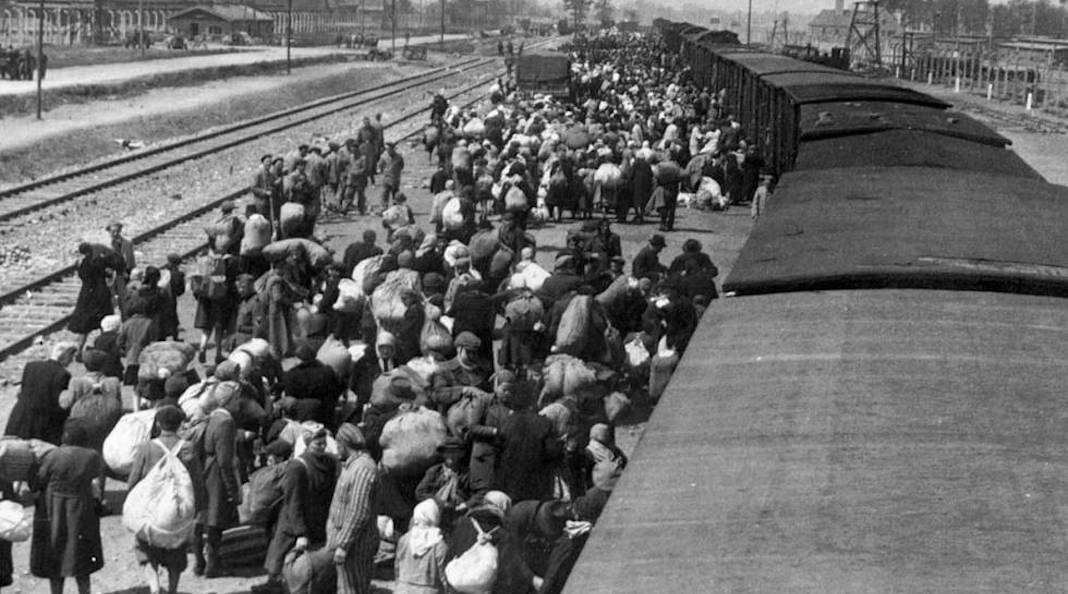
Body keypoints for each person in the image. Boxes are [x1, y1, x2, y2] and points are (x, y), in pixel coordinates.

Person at [127, 406, 204, 594]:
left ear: (159, 424)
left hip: (151, 509)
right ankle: (172, 590)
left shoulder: (147, 447)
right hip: (177, 509)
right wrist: (198, 508)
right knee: (175, 550)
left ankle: (154, 587)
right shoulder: (188, 447)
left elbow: (133, 479)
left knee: (146, 546)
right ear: (179, 424)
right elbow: (197, 481)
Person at [257, 428, 338, 594]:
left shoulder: (329, 463)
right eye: (318, 443)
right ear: (308, 444)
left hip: (317, 518)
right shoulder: (297, 467)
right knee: (281, 560)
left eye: (324, 443)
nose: (322, 447)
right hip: (294, 520)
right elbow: (293, 502)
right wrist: (300, 532)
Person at [30, 418, 106, 594]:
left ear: (64, 436)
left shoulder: (53, 456)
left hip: (54, 508)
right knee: (82, 554)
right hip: (82, 508)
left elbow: (37, 482)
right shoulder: (92, 456)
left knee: (55, 552)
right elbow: (95, 476)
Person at [327, 423, 379, 594]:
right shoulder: (350, 466)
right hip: (348, 543)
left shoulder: (363, 469)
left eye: (337, 444)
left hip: (356, 545)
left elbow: (359, 511)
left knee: (352, 590)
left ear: (344, 443)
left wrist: (343, 544)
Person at [5, 342, 77, 445]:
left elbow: (22, 391)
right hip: (42, 424)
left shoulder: (31, 366)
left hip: (20, 417)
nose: (72, 360)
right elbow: (58, 403)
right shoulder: (63, 374)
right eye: (71, 356)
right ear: (65, 355)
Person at [68, 243, 122, 356]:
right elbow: (115, 266)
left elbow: (83, 276)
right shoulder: (98, 261)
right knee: (105, 322)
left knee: (85, 326)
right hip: (100, 294)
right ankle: (106, 347)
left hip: (86, 295)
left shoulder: (82, 264)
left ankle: (78, 351)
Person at [394, 499, 449, 594]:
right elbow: (443, 576)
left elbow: (397, 567)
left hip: (402, 589)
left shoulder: (404, 539)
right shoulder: (439, 544)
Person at [378, 142, 405, 212]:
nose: (388, 151)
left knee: (395, 195)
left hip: (395, 179)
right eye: (387, 149)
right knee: (384, 194)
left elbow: (402, 166)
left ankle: (396, 209)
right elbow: (380, 166)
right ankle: (384, 209)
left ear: (393, 149)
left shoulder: (399, 157)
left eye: (390, 149)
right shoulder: (383, 156)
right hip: (386, 179)